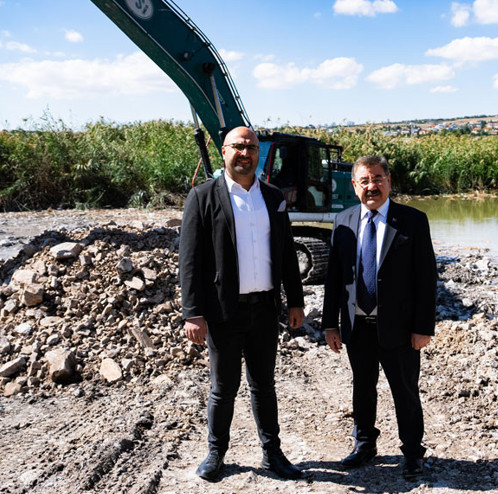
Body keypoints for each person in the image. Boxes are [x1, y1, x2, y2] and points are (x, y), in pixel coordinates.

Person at [179, 126, 306, 482]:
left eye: (251, 147)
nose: (245, 153)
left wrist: (294, 300)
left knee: (264, 385)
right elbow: (189, 260)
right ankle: (216, 453)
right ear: (224, 152)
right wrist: (193, 312)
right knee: (224, 387)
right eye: (238, 147)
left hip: (265, 309)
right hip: (223, 311)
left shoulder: (272, 196)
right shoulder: (204, 197)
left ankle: (272, 454)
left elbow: (286, 252)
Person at [322, 155, 438, 480]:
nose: (371, 186)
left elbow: (426, 278)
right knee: (362, 389)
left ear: (388, 181)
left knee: (405, 391)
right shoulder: (343, 221)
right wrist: (330, 323)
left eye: (377, 178)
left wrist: (422, 327)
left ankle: (413, 453)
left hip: (400, 329)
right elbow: (334, 278)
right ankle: (364, 445)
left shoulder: (413, 221)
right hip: (357, 327)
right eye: (365, 180)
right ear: (354, 186)